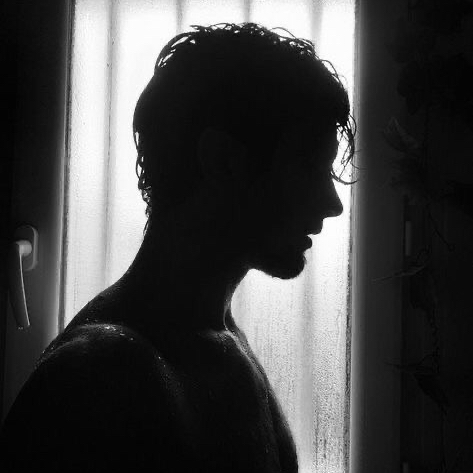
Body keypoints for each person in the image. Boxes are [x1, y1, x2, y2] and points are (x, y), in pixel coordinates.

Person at [0, 22, 355, 472]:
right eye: (308, 168)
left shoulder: (217, 338)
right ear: (222, 161)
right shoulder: (92, 381)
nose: (332, 204)